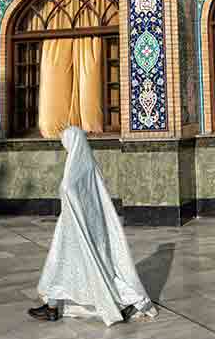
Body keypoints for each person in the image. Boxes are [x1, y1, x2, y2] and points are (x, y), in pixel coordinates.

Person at [29, 126, 154, 326]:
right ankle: (52, 307)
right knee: (67, 268)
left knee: (63, 266)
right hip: (82, 229)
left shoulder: (74, 173)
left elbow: (70, 193)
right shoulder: (89, 166)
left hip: (76, 231)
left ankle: (56, 308)